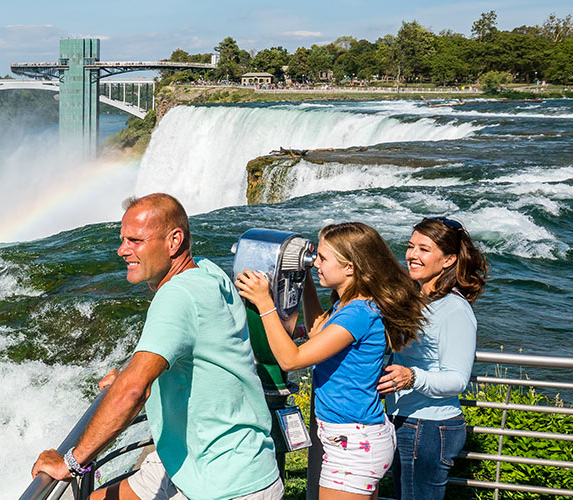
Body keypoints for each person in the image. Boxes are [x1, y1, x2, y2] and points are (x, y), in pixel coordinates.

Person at [31, 193, 283, 500]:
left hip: (223, 483)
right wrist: (128, 376)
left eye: (135, 240)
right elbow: (188, 353)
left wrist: (70, 463)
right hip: (193, 460)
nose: (122, 250)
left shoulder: (178, 296)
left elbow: (133, 391)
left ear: (174, 240)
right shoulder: (207, 270)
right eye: (122, 239)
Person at [234, 222, 426, 500]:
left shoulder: (358, 313)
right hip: (356, 439)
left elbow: (291, 359)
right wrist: (307, 280)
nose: (315, 262)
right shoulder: (349, 304)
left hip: (353, 445)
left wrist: (265, 303)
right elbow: (316, 332)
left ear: (350, 267)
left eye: (322, 258)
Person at [377, 216, 488, 500]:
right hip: (406, 420)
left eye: (424, 249)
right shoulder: (417, 299)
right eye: (411, 246)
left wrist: (412, 377)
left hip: (429, 428)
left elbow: (457, 380)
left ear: (449, 259)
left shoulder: (455, 309)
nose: (412, 255)